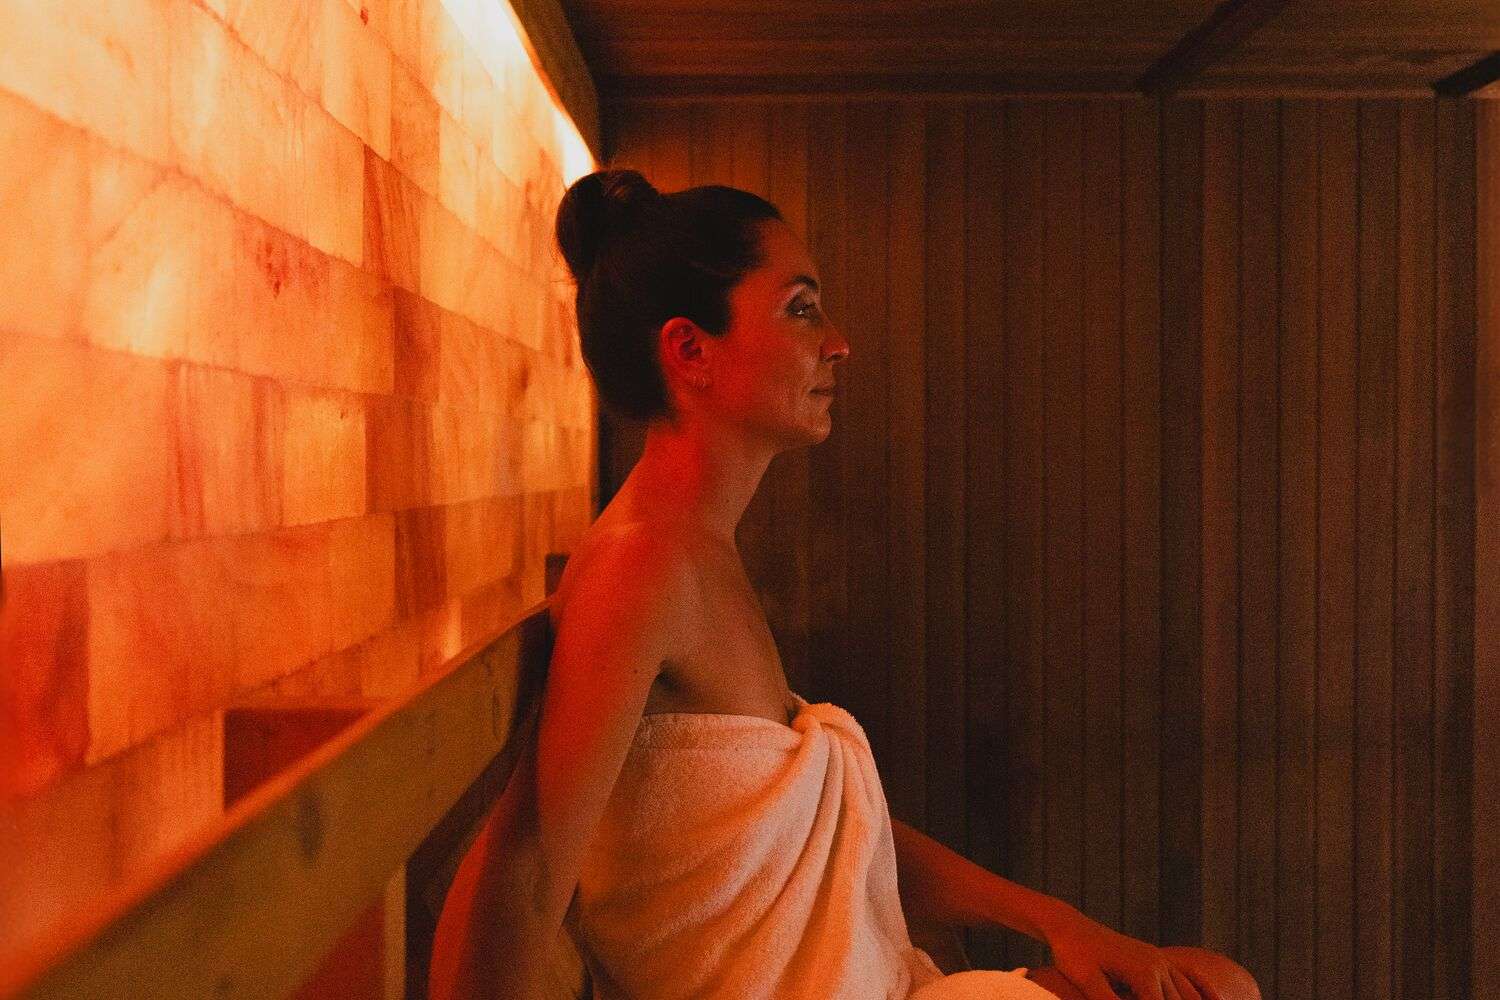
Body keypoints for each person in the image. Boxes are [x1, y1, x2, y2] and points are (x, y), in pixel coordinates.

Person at [429, 169, 1260, 1000]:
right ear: (690, 350)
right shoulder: (642, 565)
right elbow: (526, 868)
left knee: (1214, 983)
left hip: (869, 981)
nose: (838, 342)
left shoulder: (697, 554)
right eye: (800, 308)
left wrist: (1058, 920)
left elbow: (826, 831)